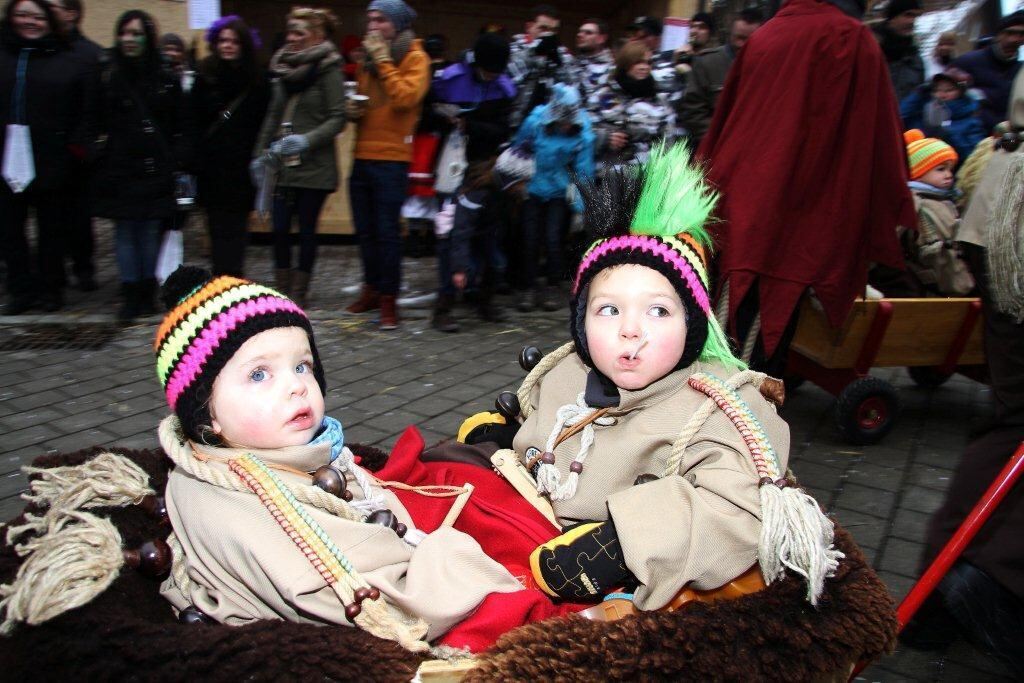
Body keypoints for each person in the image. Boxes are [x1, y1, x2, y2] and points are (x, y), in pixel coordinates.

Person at [152, 265, 568, 653]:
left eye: (302, 366)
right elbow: (371, 600)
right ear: (206, 413)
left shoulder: (265, 456)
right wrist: (456, 554)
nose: (297, 387)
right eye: (259, 374)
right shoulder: (246, 504)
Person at [509, 145, 841, 610]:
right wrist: (515, 436)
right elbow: (549, 416)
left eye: (659, 311)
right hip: (535, 525)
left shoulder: (720, 405)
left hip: (635, 585)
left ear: (693, 325)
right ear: (581, 322)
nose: (630, 329)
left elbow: (737, 506)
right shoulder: (570, 367)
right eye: (608, 309)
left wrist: (625, 545)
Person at [698, 0, 915, 375]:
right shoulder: (850, 38)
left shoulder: (766, 34)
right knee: (756, 348)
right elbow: (875, 140)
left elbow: (725, 122)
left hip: (734, 201)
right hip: (792, 215)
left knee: (725, 327)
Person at [900, 73, 1024, 674]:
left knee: (1013, 420)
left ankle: (942, 595)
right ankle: (996, 582)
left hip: (1002, 209)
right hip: (1011, 221)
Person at [85, 9, 190, 321]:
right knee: (124, 232)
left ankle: (146, 290)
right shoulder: (107, 74)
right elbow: (92, 118)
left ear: (148, 37)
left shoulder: (164, 78)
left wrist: (176, 160)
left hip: (153, 167)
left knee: (147, 230)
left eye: (136, 33)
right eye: (124, 33)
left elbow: (178, 124)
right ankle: (130, 291)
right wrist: (96, 152)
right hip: (118, 166)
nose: (129, 40)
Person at [344, 0, 430, 330]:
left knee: (387, 234)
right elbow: (373, 102)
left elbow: (405, 98)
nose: (372, 25)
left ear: (395, 24)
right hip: (362, 155)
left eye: (379, 19)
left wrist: (382, 60)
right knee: (365, 232)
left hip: (392, 160)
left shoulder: (415, 56)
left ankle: (388, 300)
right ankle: (371, 288)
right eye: (369, 19)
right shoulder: (369, 60)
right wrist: (353, 109)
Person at [0, 0, 89, 314]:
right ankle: (21, 290)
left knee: (51, 230)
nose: (29, 22)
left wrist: (73, 148)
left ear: (49, 21)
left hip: (51, 156)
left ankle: (51, 289)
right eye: (22, 15)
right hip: (6, 155)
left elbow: (84, 109)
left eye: (37, 17)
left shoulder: (66, 59)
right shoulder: (4, 55)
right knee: (10, 230)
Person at [253, 7, 345, 308]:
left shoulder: (329, 67)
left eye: (300, 33)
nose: (292, 38)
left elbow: (338, 117)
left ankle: (299, 293)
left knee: (306, 229)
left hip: (314, 167)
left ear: (317, 36)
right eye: (290, 31)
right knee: (279, 228)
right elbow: (272, 114)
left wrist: (306, 140)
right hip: (282, 164)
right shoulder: (282, 66)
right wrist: (259, 155)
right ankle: (281, 289)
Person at [428, 31, 515, 331]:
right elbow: (427, 117)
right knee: (449, 232)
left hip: (485, 168)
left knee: (489, 234)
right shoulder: (449, 80)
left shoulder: (504, 88)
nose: (491, 76)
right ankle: (444, 304)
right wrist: (444, 118)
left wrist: (469, 124)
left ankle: (484, 297)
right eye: (487, 69)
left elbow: (503, 130)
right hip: (450, 167)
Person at [192, 15, 270, 278]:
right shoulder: (205, 75)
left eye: (234, 41)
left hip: (242, 164)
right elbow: (193, 120)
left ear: (243, 45)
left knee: (237, 228)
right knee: (215, 226)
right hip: (212, 165)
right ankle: (219, 277)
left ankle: (233, 278)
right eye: (223, 40)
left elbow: (262, 121)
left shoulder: (257, 80)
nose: (228, 45)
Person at [512, 82, 594, 312]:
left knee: (553, 239)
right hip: (531, 188)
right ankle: (527, 286)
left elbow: (583, 171)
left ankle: (552, 285)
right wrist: (517, 182)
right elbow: (519, 150)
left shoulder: (583, 132)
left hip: (559, 190)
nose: (567, 125)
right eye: (563, 120)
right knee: (529, 238)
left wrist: (580, 207)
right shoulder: (535, 122)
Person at [48, 0, 101, 294]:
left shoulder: (88, 54)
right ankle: (52, 273)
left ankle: (83, 268)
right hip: (45, 148)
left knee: (79, 217)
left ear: (71, 12)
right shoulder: (42, 51)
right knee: (51, 219)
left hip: (77, 150)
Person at [887, 130, 974, 297]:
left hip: (947, 276)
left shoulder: (944, 200)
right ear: (916, 173)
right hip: (932, 281)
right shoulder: (915, 202)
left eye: (950, 169)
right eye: (940, 169)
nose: (948, 175)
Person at [589, 41, 675, 175]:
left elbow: (668, 141)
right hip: (605, 177)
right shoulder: (603, 95)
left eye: (648, 63)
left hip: (644, 178)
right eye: (638, 62)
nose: (644, 67)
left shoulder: (659, 99)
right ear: (626, 64)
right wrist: (605, 138)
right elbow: (585, 132)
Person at [680, 9, 762, 149]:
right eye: (738, 38)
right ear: (731, 34)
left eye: (748, 39)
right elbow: (693, 112)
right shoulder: (708, 63)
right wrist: (721, 140)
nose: (742, 44)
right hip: (714, 148)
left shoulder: (765, 66)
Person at [952, 11, 1024, 131]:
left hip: (1010, 141)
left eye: (1022, 34)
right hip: (973, 140)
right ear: (998, 34)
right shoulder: (967, 62)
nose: (1015, 39)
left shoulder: (1021, 70)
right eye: (1010, 33)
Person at [507, 4, 576, 129]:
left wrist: (558, 63)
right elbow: (510, 78)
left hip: (547, 127)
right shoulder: (512, 50)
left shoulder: (563, 55)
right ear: (529, 27)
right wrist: (534, 53)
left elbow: (573, 89)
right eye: (543, 28)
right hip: (513, 122)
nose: (548, 34)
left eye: (554, 30)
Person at [900, 67, 986, 164]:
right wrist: (917, 95)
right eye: (937, 90)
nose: (942, 95)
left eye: (949, 90)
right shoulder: (923, 111)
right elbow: (900, 118)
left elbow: (973, 157)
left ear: (961, 92)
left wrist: (949, 135)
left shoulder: (970, 121)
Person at [872, 0, 925, 103]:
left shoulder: (914, 57)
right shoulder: (869, 49)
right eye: (907, 15)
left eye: (915, 16)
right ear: (892, 17)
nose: (912, 21)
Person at [571, 18, 613, 103]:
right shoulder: (571, 64)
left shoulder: (611, 68)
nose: (580, 35)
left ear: (602, 38)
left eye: (588, 33)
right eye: (580, 32)